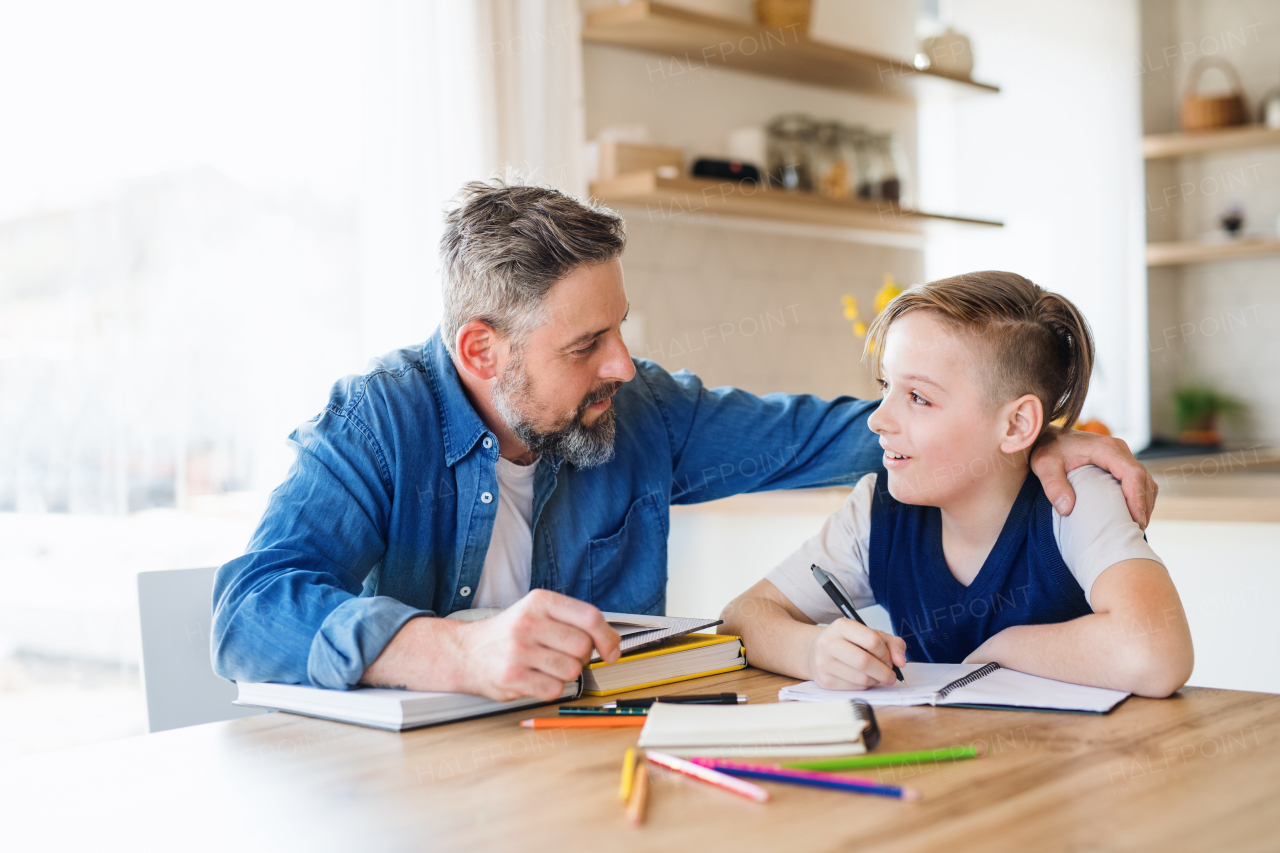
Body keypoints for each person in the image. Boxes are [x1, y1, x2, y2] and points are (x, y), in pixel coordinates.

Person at [212, 180, 1159, 702]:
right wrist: (453, 656)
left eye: (621, 328)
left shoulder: (643, 411)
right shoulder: (377, 422)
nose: (624, 365)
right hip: (418, 794)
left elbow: (855, 434)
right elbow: (248, 610)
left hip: (590, 768)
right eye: (588, 345)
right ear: (480, 349)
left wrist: (1036, 438)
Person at [720, 272, 1193, 699]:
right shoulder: (876, 510)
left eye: (918, 397)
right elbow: (743, 615)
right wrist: (812, 651)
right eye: (885, 386)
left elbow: (1155, 653)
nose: (878, 418)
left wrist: (1004, 649)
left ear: (1016, 426)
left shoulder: (1072, 496)